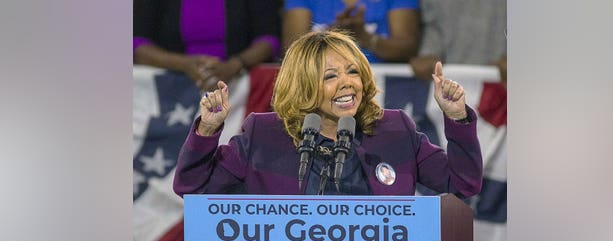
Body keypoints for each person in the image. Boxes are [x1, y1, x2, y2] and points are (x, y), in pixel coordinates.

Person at [173, 30, 482, 198]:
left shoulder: (394, 129)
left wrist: (457, 119)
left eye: (352, 72)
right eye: (330, 76)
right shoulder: (263, 135)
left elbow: (462, 184)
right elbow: (193, 189)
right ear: (304, 85)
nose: (347, 83)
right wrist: (207, 131)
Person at [133, 0, 281, 91]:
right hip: (169, 92)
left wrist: (235, 64)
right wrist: (184, 64)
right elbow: (136, 44)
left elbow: (269, 41)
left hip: (238, 90)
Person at [281, 0, 420, 63]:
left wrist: (364, 36)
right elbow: (291, 51)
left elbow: (407, 48)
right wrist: (335, 33)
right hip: (318, 90)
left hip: (382, 93)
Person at [410, 0, 507, 85]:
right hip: (449, 89)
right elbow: (433, 27)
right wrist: (428, 54)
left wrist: (518, 57)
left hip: (506, 89)